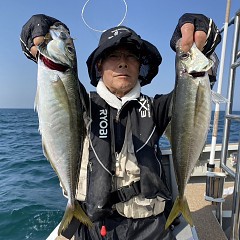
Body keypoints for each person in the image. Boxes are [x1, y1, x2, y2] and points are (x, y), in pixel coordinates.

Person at [20, 13, 221, 240]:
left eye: (131, 56)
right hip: (94, 228)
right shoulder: (82, 104)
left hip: (152, 229)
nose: (122, 62)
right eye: (113, 56)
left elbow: (192, 94)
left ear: (140, 65)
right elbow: (58, 76)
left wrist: (200, 37)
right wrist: (40, 35)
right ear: (99, 65)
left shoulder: (157, 107)